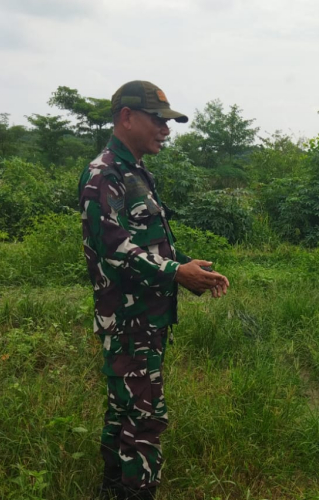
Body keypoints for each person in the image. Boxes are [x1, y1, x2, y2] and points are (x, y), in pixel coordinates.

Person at [78, 80, 230, 500]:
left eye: (168, 122)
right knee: (143, 418)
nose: (166, 129)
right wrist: (176, 274)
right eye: (158, 120)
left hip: (145, 318)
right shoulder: (104, 173)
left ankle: (112, 490)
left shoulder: (134, 172)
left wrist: (183, 266)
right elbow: (114, 248)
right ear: (126, 117)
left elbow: (148, 243)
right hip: (128, 320)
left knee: (125, 410)